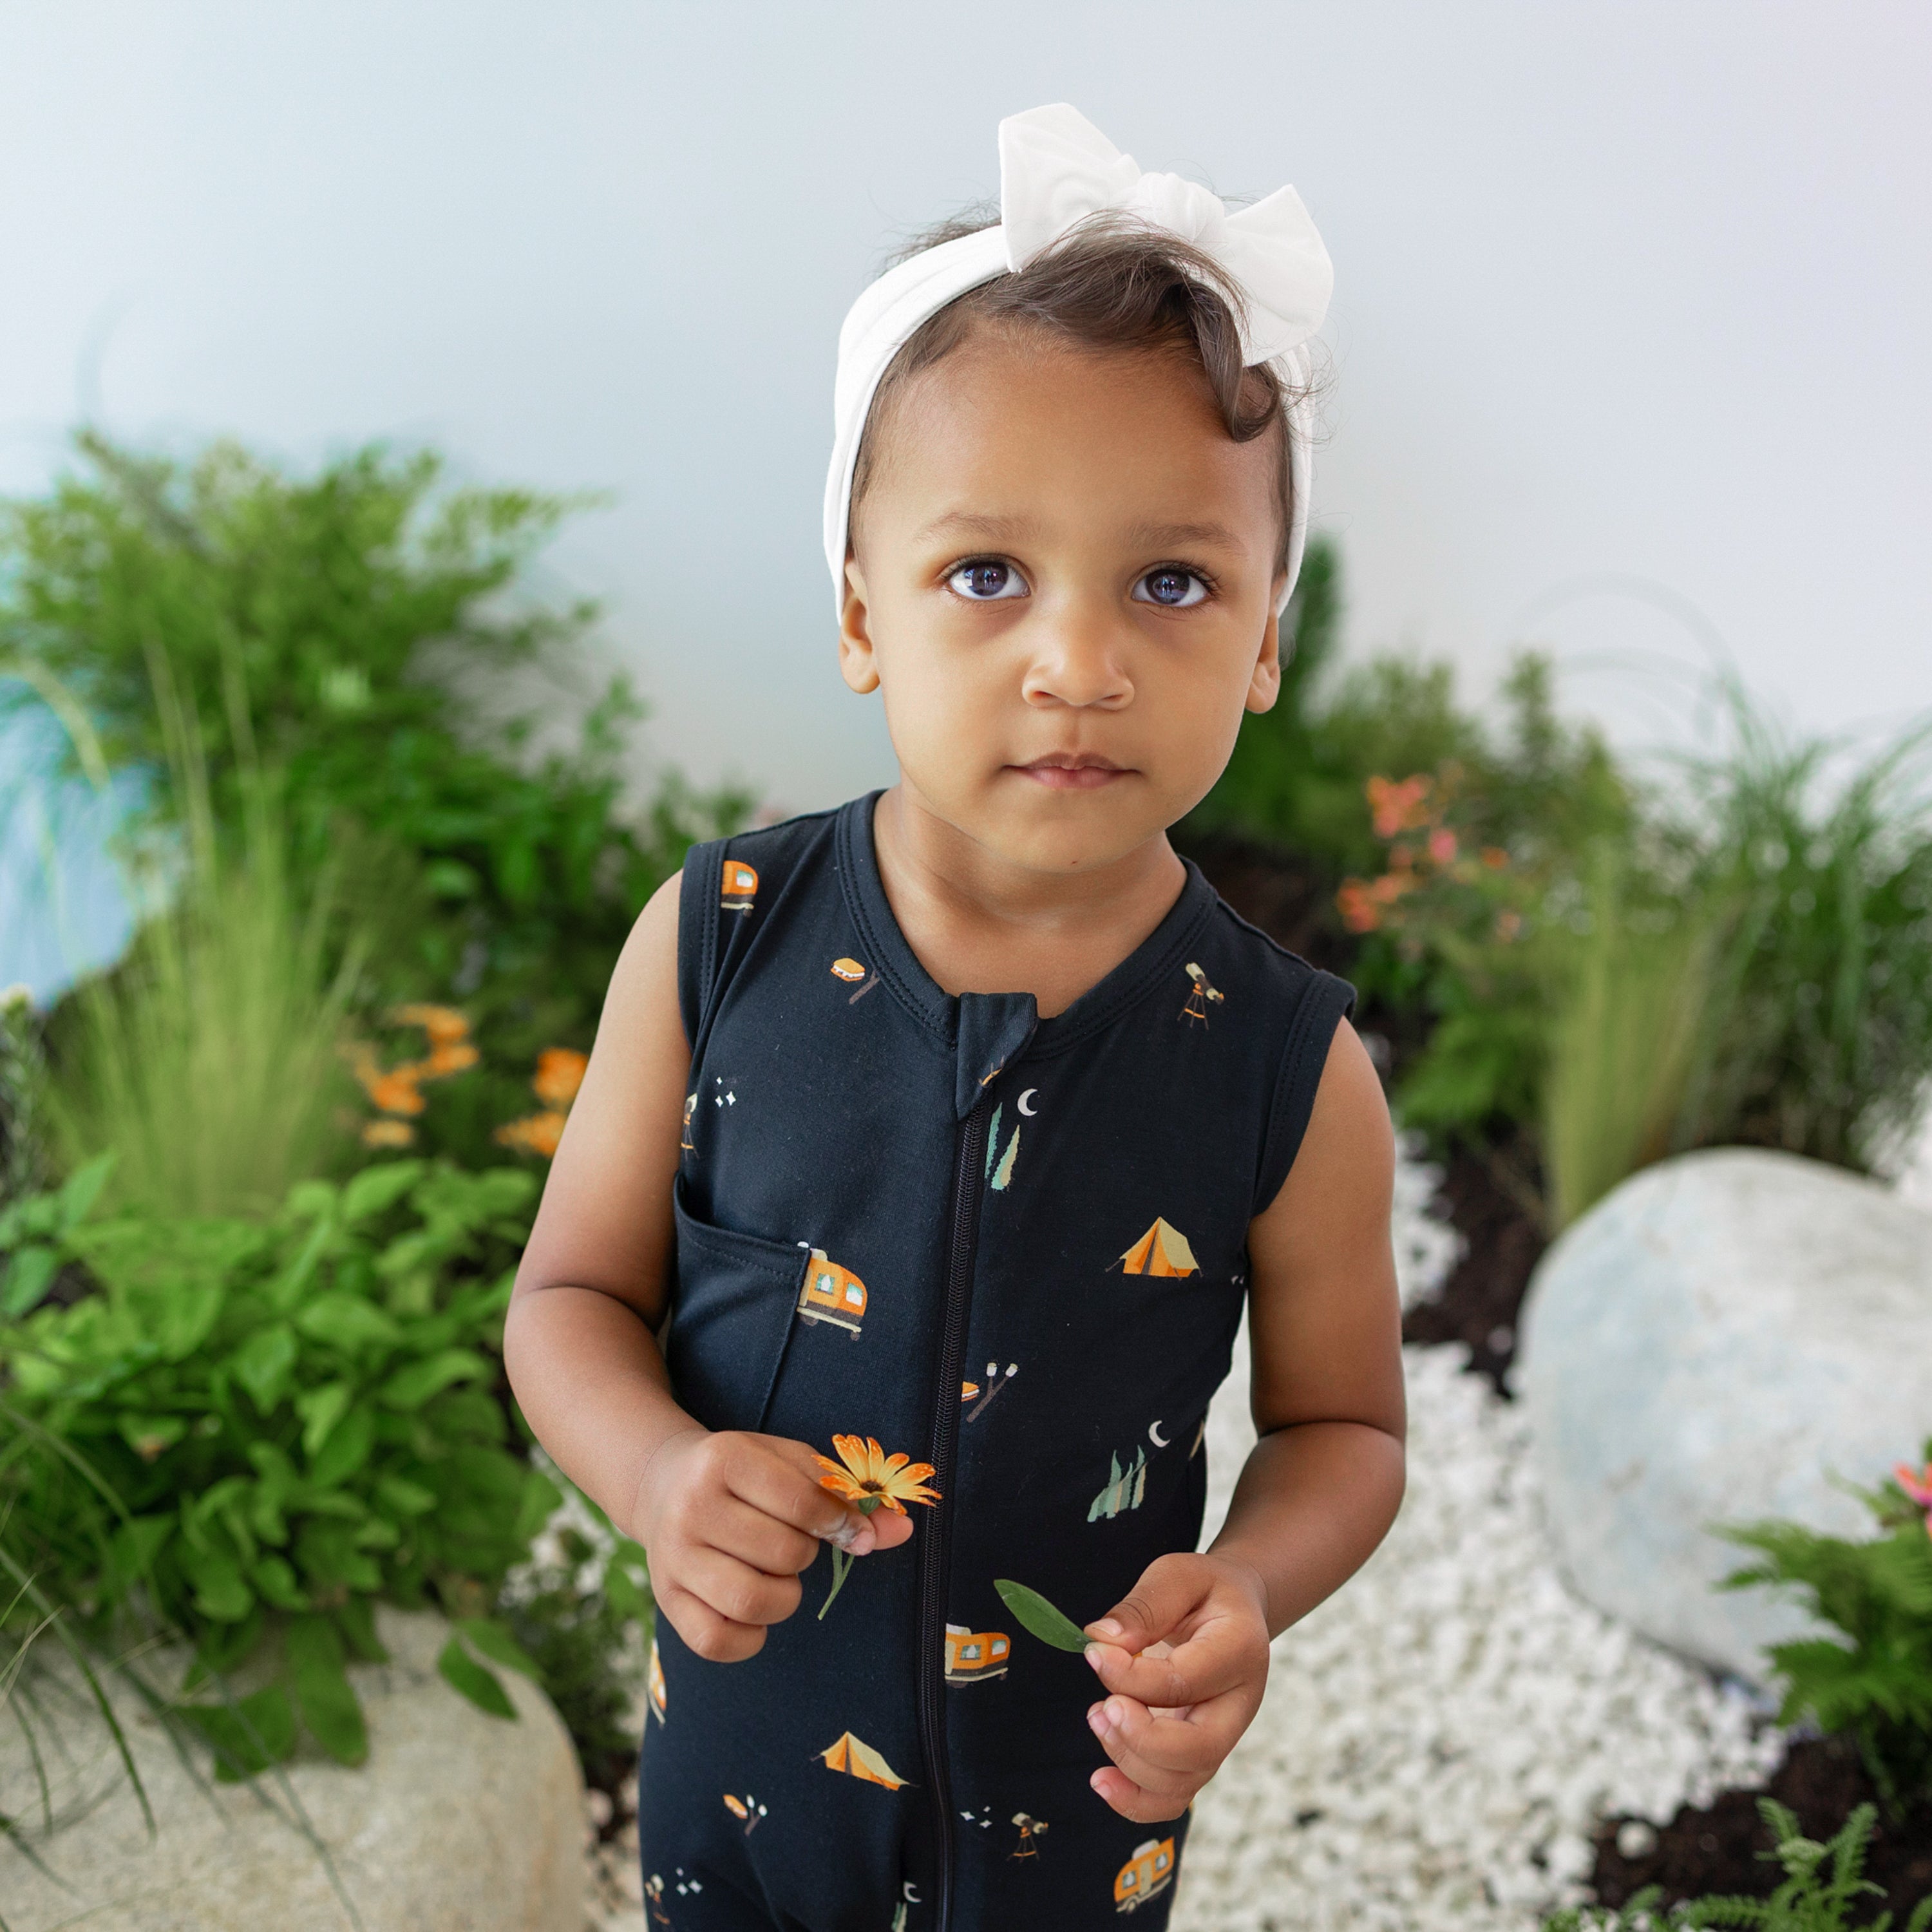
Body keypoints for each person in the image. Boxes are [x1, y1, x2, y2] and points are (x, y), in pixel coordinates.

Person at [504, 102, 1405, 1932]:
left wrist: (1243, 1590)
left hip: (1073, 1804)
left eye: (1171, 582)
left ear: (1264, 642)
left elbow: (1347, 1433)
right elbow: (567, 1305)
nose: (1077, 660)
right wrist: (659, 1472)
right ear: (859, 611)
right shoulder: (719, 944)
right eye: (986, 575)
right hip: (748, 1772)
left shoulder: (1285, 1063)